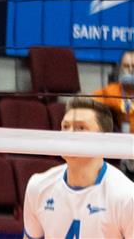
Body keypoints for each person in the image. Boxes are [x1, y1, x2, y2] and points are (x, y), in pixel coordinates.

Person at [22, 96, 134, 238]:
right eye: (65, 127)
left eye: (81, 127)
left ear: (104, 140)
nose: (69, 134)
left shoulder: (126, 196)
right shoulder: (38, 186)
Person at [93, 49, 134, 134]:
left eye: (133, 66)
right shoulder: (111, 91)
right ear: (120, 68)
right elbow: (90, 101)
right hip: (120, 138)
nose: (130, 70)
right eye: (126, 66)